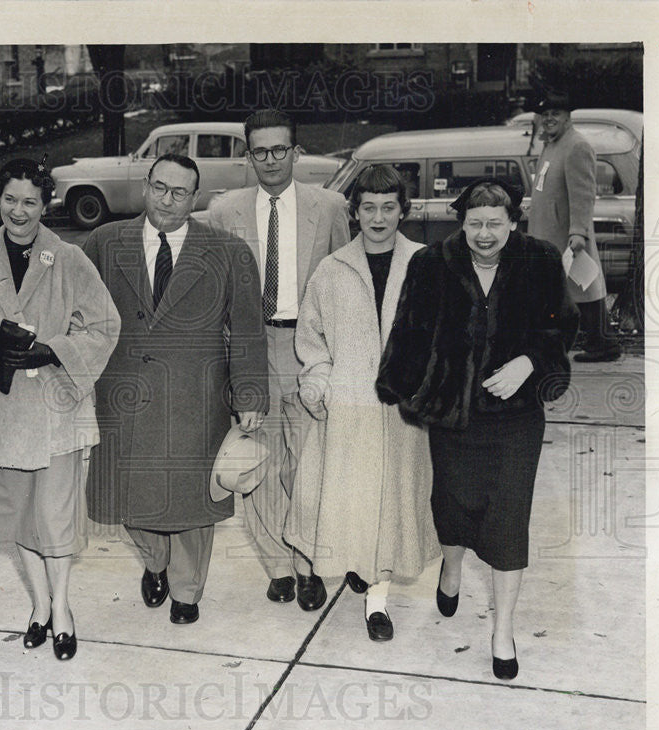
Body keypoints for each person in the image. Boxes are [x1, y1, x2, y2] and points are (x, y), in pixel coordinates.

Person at [377, 178, 578, 680]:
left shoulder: (541, 261)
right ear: (460, 223)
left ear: (513, 223)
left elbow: (563, 326)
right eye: (474, 224)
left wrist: (531, 362)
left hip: (515, 418)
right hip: (453, 414)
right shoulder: (431, 264)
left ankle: (503, 631)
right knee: (452, 506)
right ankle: (450, 566)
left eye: (494, 224)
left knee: (509, 520)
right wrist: (400, 389)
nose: (484, 234)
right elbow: (409, 331)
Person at [84, 153, 269, 625]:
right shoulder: (104, 243)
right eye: (160, 188)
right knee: (128, 500)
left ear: (195, 198)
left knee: (192, 503)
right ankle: (153, 561)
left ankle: (187, 591)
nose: (168, 200)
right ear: (146, 187)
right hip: (124, 398)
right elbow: (81, 320)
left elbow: (247, 330)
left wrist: (248, 397)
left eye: (180, 192)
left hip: (196, 398)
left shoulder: (228, 252)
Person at [0, 157, 119, 661]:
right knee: (18, 517)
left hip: (55, 409)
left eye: (29, 202)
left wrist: (55, 350)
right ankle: (40, 605)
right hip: (1, 413)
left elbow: (104, 326)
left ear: (45, 204)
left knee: (56, 516)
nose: (18, 211)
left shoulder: (69, 258)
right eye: (9, 200)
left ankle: (63, 607)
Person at [207, 109, 350, 612]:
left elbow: (346, 284)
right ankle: (278, 566)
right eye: (259, 151)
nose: (269, 159)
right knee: (257, 460)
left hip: (308, 348)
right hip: (250, 349)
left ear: (296, 152)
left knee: (309, 463)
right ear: (248, 156)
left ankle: (310, 562)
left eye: (279, 150)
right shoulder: (224, 211)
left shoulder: (329, 207)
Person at [288, 165, 439, 641]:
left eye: (388, 208)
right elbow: (311, 338)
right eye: (368, 208)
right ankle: (340, 565)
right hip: (348, 409)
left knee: (391, 506)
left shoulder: (425, 264)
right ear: (354, 213)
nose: (378, 218)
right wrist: (321, 382)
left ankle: (378, 602)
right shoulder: (331, 271)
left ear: (403, 211)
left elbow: (442, 336)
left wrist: (425, 386)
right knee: (346, 503)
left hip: (402, 414)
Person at [527, 91, 621, 362]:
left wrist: (578, 231)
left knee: (583, 288)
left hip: (567, 236)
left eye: (555, 114)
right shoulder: (552, 144)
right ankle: (594, 343)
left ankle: (603, 344)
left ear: (568, 117)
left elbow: (583, 193)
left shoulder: (576, 145)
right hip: (549, 232)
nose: (549, 119)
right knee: (572, 289)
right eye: (545, 115)